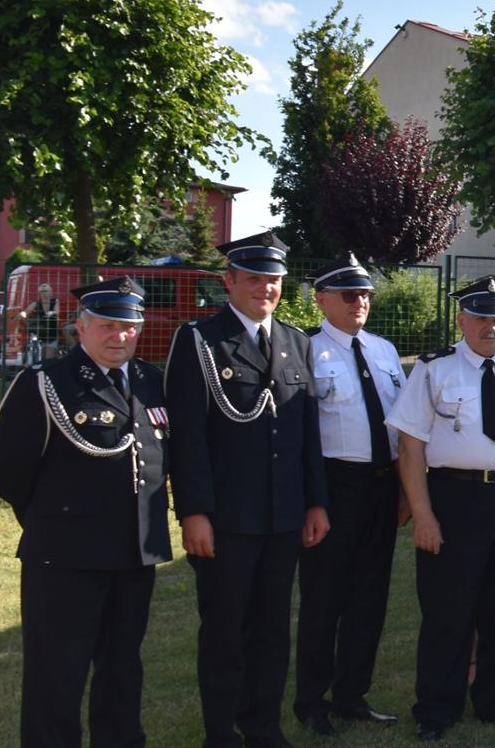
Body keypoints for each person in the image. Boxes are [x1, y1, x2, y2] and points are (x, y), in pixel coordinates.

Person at [166, 231, 330, 747]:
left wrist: (316, 502)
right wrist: (194, 512)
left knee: (272, 628)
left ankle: (263, 727)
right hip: (227, 517)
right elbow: (188, 437)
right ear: (230, 281)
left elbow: (306, 433)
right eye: (255, 278)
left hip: (282, 516)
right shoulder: (200, 340)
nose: (265, 288)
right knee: (224, 629)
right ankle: (221, 732)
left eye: (273, 280)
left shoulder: (297, 342)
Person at [388, 275, 495, 740]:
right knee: (449, 610)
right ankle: (436, 709)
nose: (491, 327)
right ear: (462, 320)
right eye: (481, 317)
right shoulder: (433, 370)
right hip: (456, 499)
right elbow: (410, 448)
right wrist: (423, 515)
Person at [0, 278, 171, 748]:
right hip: (65, 556)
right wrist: (56, 521)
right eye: (108, 325)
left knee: (122, 667)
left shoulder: (152, 382)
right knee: (57, 672)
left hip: (135, 552)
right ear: (81, 327)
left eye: (129, 326)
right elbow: (11, 471)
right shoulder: (47, 382)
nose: (120, 336)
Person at [295, 253, 407, 735]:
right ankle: (311, 703)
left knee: (369, 597)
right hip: (333, 486)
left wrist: (405, 491)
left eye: (364, 294)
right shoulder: (304, 350)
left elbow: (401, 426)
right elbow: (300, 436)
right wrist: (313, 501)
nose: (359, 301)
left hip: (382, 485)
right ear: (321, 300)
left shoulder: (384, 350)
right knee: (324, 599)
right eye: (348, 294)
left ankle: (351, 695)